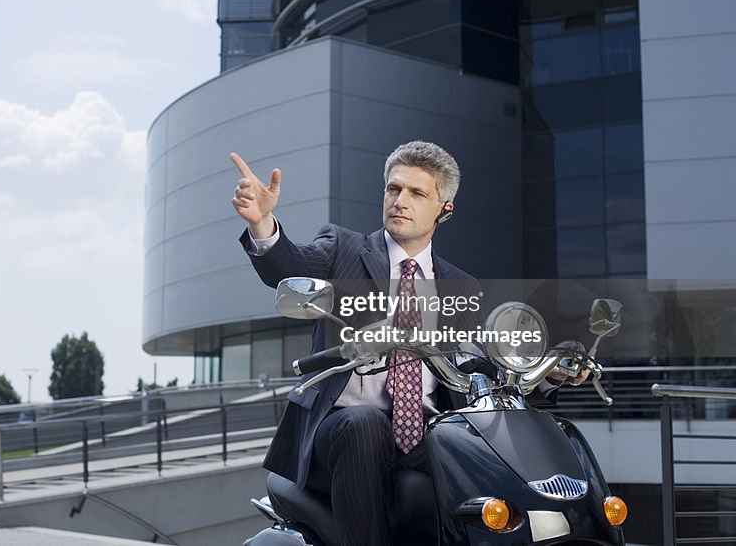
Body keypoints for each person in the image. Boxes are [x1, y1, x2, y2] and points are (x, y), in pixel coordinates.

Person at [231, 141, 585, 546]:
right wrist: (262, 223)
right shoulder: (344, 250)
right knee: (366, 424)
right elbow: (290, 266)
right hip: (341, 431)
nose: (400, 201)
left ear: (444, 208)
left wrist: (548, 375)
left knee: (496, 458)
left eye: (417, 193)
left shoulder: (459, 285)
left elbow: (478, 370)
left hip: (424, 436)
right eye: (393, 189)